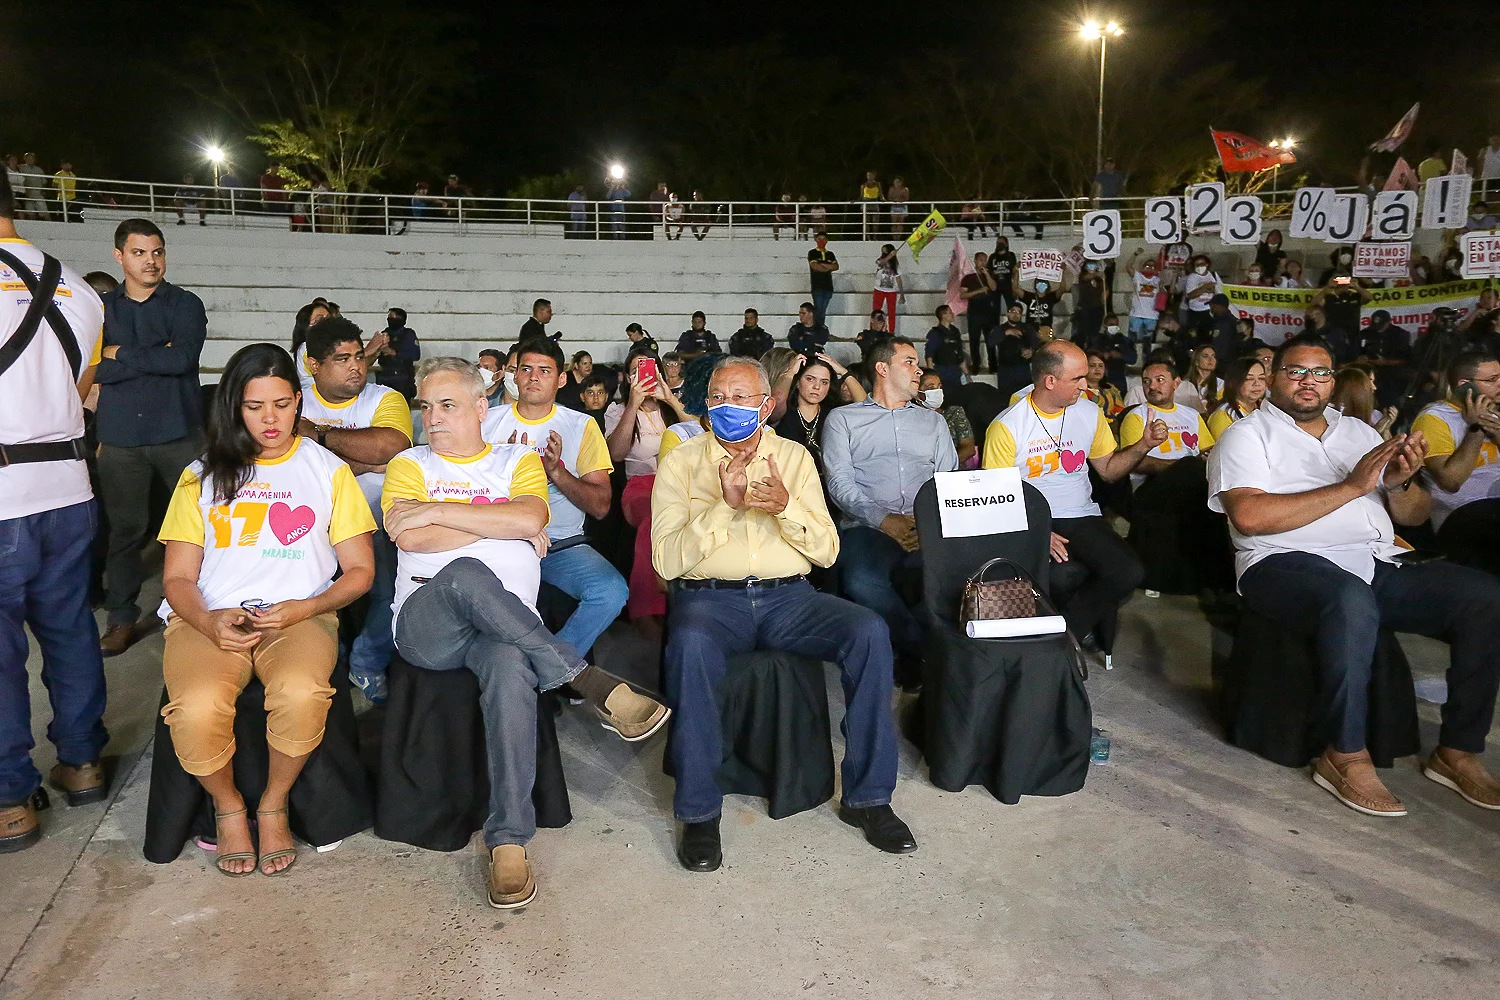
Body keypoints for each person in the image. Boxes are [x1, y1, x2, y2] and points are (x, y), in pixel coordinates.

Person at [385, 356, 668, 906]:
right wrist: (497, 524)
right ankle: (583, 678)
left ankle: (509, 839)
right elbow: (409, 538)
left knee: (511, 663)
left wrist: (441, 515)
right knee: (468, 573)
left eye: (447, 405)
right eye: (426, 407)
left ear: (479, 407)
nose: (433, 418)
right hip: (427, 623)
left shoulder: (516, 460)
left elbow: (531, 520)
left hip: (504, 630)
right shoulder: (409, 463)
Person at [1209, 332, 1500, 817]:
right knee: (1349, 599)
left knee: (1483, 596)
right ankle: (1343, 754)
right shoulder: (1246, 435)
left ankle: (1457, 751)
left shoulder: (1360, 432)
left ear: (1332, 381)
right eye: (1296, 371)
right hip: (1280, 562)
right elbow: (1250, 518)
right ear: (1273, 378)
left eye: (1321, 373)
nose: (1309, 382)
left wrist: (1400, 479)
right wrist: (1352, 486)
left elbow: (1409, 516)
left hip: (1374, 558)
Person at [653, 355, 914, 871]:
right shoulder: (682, 462)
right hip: (711, 601)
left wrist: (785, 508)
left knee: (868, 632)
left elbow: (828, 551)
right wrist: (724, 507)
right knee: (688, 646)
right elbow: (665, 558)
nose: (727, 407)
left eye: (741, 398)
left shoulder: (793, 457)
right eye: (718, 398)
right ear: (706, 406)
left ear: (766, 405)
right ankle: (700, 811)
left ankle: (870, 798)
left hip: (789, 599)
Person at [155, 343, 376, 875]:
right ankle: (229, 807)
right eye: (255, 407)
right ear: (234, 406)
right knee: (198, 706)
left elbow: (361, 573)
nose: (270, 419)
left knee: (302, 693)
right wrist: (207, 620)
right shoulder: (201, 475)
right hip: (210, 616)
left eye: (282, 403)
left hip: (299, 615)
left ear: (299, 401)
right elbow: (178, 578)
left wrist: (306, 608)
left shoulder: (327, 470)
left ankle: (273, 801)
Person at [0, 173, 111, 853]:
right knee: (70, 630)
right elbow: (79, 389)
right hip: (69, 490)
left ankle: (11, 798)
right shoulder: (77, 288)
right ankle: (82, 764)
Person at [983, 341, 1164, 662]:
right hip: (1031, 518)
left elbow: (1109, 470)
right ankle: (1059, 640)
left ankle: (1060, 638)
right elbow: (997, 496)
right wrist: (1037, 531)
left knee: (1129, 572)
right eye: (1077, 379)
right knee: (1061, 577)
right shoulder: (1008, 426)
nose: (1087, 384)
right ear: (1050, 380)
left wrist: (1144, 445)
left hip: (1080, 516)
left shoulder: (1089, 412)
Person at [94, 219, 209, 656]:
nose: (151, 261)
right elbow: (92, 368)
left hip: (178, 433)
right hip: (121, 437)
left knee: (198, 528)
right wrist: (151, 357)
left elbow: (181, 360)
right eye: (140, 253)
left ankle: (196, 609)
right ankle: (120, 619)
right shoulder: (99, 307)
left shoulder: (184, 304)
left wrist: (119, 352)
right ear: (119, 256)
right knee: (125, 532)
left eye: (157, 252)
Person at [482, 338, 629, 665]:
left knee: (611, 592)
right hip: (501, 542)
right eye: (526, 369)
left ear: (561, 379)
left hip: (562, 545)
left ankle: (546, 668)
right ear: (514, 376)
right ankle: (541, 672)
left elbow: (601, 505)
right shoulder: (487, 422)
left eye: (544, 370)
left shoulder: (580, 425)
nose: (533, 377)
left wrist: (556, 472)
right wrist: (505, 466)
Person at [823, 337, 958, 688]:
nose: (919, 370)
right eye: (910, 362)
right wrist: (884, 520)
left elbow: (948, 480)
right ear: (882, 369)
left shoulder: (934, 424)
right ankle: (915, 646)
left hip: (927, 525)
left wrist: (928, 523)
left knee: (956, 575)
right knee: (861, 580)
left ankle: (935, 650)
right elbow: (840, 485)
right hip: (868, 527)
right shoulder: (843, 420)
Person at [297, 318, 415, 703]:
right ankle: (334, 660)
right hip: (310, 525)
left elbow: (392, 449)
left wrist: (321, 437)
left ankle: (366, 662)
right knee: (310, 592)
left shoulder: (384, 399)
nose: (357, 366)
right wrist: (363, 461)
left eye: (360, 356)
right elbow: (286, 463)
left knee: (395, 594)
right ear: (314, 365)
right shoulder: (293, 399)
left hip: (375, 522)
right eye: (342, 359)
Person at [608, 350, 692, 631]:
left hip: (682, 487)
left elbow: (703, 435)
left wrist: (668, 397)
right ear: (628, 377)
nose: (642, 375)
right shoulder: (618, 410)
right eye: (636, 370)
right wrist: (633, 404)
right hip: (642, 486)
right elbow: (616, 454)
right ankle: (647, 608)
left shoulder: (673, 408)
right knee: (654, 523)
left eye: (647, 369)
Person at [1119, 360, 1217, 592]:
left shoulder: (1191, 416)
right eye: (1146, 381)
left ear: (1176, 383)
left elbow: (1208, 450)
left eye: (1160, 380)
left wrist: (1201, 460)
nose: (1152, 386)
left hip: (1192, 481)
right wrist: (1181, 466)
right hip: (1150, 486)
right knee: (1192, 470)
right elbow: (1137, 462)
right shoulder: (1137, 416)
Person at [1413, 351, 1500, 575]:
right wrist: (1476, 430)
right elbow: (1450, 481)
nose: (1499, 385)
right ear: (1464, 385)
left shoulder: (1495, 413)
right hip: (1461, 514)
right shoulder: (1434, 418)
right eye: (1492, 380)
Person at [774, 352, 866, 476]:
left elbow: (866, 409)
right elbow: (777, 399)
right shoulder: (783, 412)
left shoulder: (834, 414)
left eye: (824, 382)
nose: (817, 387)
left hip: (826, 487)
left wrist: (844, 372)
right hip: (788, 482)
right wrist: (790, 372)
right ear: (797, 382)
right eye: (810, 379)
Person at [919, 372, 976, 467]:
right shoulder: (910, 418)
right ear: (917, 393)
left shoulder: (954, 413)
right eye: (931, 388)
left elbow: (969, 448)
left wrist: (945, 466)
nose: (937, 391)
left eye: (939, 387)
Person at [367, 307, 421, 400]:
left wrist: (394, 353)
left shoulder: (408, 334)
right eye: (389, 317)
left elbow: (415, 354)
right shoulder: (385, 333)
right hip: (385, 377)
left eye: (392, 317)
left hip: (403, 378)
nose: (389, 320)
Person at [1207, 357, 1268, 438]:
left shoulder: (1267, 408)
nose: (1257, 383)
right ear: (1233, 382)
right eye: (1249, 379)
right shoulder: (1223, 416)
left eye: (1261, 378)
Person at [1330, 366, 1398, 439]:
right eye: (1369, 381)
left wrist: (1386, 427)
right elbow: (1357, 445)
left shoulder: (1375, 414)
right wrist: (1379, 427)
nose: (1374, 387)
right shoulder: (1332, 414)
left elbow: (1388, 446)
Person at [960, 251, 998, 371]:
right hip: (974, 312)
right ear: (975, 261)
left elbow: (994, 287)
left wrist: (987, 274)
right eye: (981, 260)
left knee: (990, 339)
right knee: (974, 339)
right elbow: (963, 295)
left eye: (985, 260)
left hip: (989, 312)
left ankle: (993, 364)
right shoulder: (968, 278)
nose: (983, 262)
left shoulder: (990, 275)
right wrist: (979, 291)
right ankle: (976, 364)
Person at [1123, 249, 1163, 344]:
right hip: (1136, 314)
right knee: (1131, 342)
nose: (1150, 268)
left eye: (1153, 267)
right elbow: (1128, 266)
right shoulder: (1138, 277)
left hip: (1152, 316)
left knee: (1148, 343)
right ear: (1143, 267)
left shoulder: (1157, 280)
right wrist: (1135, 254)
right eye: (1148, 266)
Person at [923, 305, 966, 386]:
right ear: (943, 315)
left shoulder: (955, 331)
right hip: (942, 370)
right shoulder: (935, 333)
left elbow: (960, 354)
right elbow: (929, 356)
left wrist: (966, 374)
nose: (953, 314)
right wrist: (932, 376)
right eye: (950, 312)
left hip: (955, 370)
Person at [1179, 255, 1221, 334]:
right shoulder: (1192, 277)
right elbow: (1190, 295)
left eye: (1202, 264)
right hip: (1196, 311)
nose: (1200, 266)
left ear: (1207, 264)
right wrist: (1204, 288)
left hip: (1210, 310)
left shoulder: (1213, 275)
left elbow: (1218, 291)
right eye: (1197, 265)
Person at [808, 232, 839, 328]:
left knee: (823, 310)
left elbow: (836, 266)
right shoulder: (812, 253)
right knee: (818, 310)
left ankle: (820, 330)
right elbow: (815, 266)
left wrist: (822, 265)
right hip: (817, 285)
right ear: (816, 240)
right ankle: (817, 329)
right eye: (819, 239)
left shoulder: (830, 254)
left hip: (828, 286)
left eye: (823, 239)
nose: (821, 241)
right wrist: (828, 267)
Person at [1073, 260, 1108, 345]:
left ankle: (1092, 348)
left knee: (1095, 331)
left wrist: (1104, 298)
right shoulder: (1082, 276)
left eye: (1093, 265)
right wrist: (1097, 274)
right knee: (1083, 331)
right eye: (1090, 265)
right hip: (1085, 307)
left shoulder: (1100, 278)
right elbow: (1086, 277)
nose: (1092, 267)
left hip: (1097, 307)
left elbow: (1106, 289)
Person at [1083, 350, 1125, 419]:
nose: (1097, 369)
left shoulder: (1111, 389)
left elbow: (1121, 410)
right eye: (1092, 366)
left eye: (1101, 366)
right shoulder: (1079, 390)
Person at [872, 244, 905, 334]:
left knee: (891, 312)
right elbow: (881, 263)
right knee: (876, 311)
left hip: (891, 291)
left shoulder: (895, 265)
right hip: (879, 289)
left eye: (885, 251)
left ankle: (891, 331)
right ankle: (874, 330)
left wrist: (902, 293)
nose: (883, 253)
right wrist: (890, 256)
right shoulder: (880, 261)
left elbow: (898, 279)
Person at [1184, 345, 1225, 412]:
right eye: (1205, 356)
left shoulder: (1221, 385)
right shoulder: (1185, 384)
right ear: (1196, 361)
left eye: (1213, 356)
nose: (1211, 359)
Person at [16, 153, 48, 219]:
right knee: (30, 213)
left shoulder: (39, 169)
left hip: (37, 193)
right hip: (27, 193)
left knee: (44, 212)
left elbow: (44, 181)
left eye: (32, 158)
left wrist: (43, 190)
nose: (30, 160)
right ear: (25, 159)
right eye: (28, 158)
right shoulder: (20, 168)